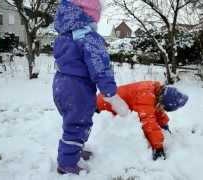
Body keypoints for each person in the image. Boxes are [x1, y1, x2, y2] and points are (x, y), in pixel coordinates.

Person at [52, 0, 129, 175]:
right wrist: (110, 92)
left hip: (60, 84)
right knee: (77, 125)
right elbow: (100, 67)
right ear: (90, 15)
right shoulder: (88, 37)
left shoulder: (64, 35)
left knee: (72, 122)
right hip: (77, 87)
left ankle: (74, 150)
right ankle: (67, 163)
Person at [96, 81, 189, 160]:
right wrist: (158, 147)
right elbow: (148, 122)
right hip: (101, 106)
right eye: (163, 107)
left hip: (106, 99)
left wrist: (164, 124)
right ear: (162, 100)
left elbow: (156, 110)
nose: (162, 109)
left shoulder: (155, 90)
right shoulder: (145, 96)